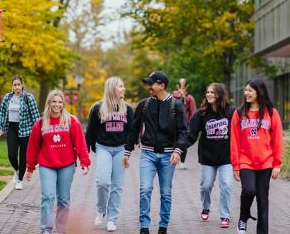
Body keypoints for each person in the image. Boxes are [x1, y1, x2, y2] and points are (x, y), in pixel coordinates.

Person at [124, 71, 188, 234]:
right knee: (145, 189)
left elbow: (183, 132)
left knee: (165, 193)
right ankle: (144, 227)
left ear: (162, 85)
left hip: (168, 156)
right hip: (148, 154)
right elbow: (134, 128)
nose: (149, 87)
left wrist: (178, 150)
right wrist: (127, 151)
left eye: (151, 84)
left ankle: (163, 227)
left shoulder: (176, 105)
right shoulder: (144, 104)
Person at [26, 89, 91, 234]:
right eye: (54, 101)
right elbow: (33, 146)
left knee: (63, 199)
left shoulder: (71, 121)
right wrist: (30, 167)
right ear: (49, 103)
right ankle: (46, 230)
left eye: (60, 102)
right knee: (48, 197)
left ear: (63, 104)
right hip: (47, 165)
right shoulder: (41, 122)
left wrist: (84, 162)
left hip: (66, 165)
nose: (57, 104)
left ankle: (60, 229)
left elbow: (80, 143)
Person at [230, 79, 283, 234]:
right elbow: (234, 141)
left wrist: (277, 164)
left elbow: (277, 140)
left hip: (266, 163)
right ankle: (243, 217)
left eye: (250, 90)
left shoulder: (271, 113)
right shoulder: (239, 113)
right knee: (249, 190)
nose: (246, 93)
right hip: (246, 161)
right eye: (245, 90)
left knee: (262, 200)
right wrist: (235, 165)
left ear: (259, 92)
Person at [86, 77, 134, 232]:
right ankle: (100, 209)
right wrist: (85, 155)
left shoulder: (127, 109)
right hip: (103, 148)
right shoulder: (97, 108)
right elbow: (90, 131)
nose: (124, 89)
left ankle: (112, 219)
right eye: (121, 86)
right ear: (113, 88)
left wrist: (128, 149)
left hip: (120, 149)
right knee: (103, 182)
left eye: (123, 86)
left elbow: (132, 132)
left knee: (117, 186)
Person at [187, 83, 235, 229]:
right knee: (206, 186)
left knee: (226, 185)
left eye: (212, 92)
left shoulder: (231, 112)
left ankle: (225, 216)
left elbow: (239, 134)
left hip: (226, 158)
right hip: (207, 158)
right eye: (207, 92)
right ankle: (206, 206)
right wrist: (179, 149)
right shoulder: (201, 114)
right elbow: (191, 135)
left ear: (220, 94)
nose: (209, 94)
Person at [0, 75, 40, 190]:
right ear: (12, 86)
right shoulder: (8, 97)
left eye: (18, 84)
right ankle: (17, 170)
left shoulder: (28, 97)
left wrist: (37, 133)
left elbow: (36, 117)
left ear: (22, 85)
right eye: (14, 85)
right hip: (12, 128)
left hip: (26, 130)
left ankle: (19, 180)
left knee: (23, 157)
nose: (16, 87)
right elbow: (1, 112)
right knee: (12, 154)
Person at [172, 78, 196, 169]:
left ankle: (182, 162)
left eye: (184, 84)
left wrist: (191, 124)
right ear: (177, 85)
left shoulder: (189, 98)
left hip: (185, 124)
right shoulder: (173, 96)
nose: (182, 86)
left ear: (187, 86)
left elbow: (193, 112)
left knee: (183, 142)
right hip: (174, 123)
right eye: (180, 84)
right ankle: (173, 157)